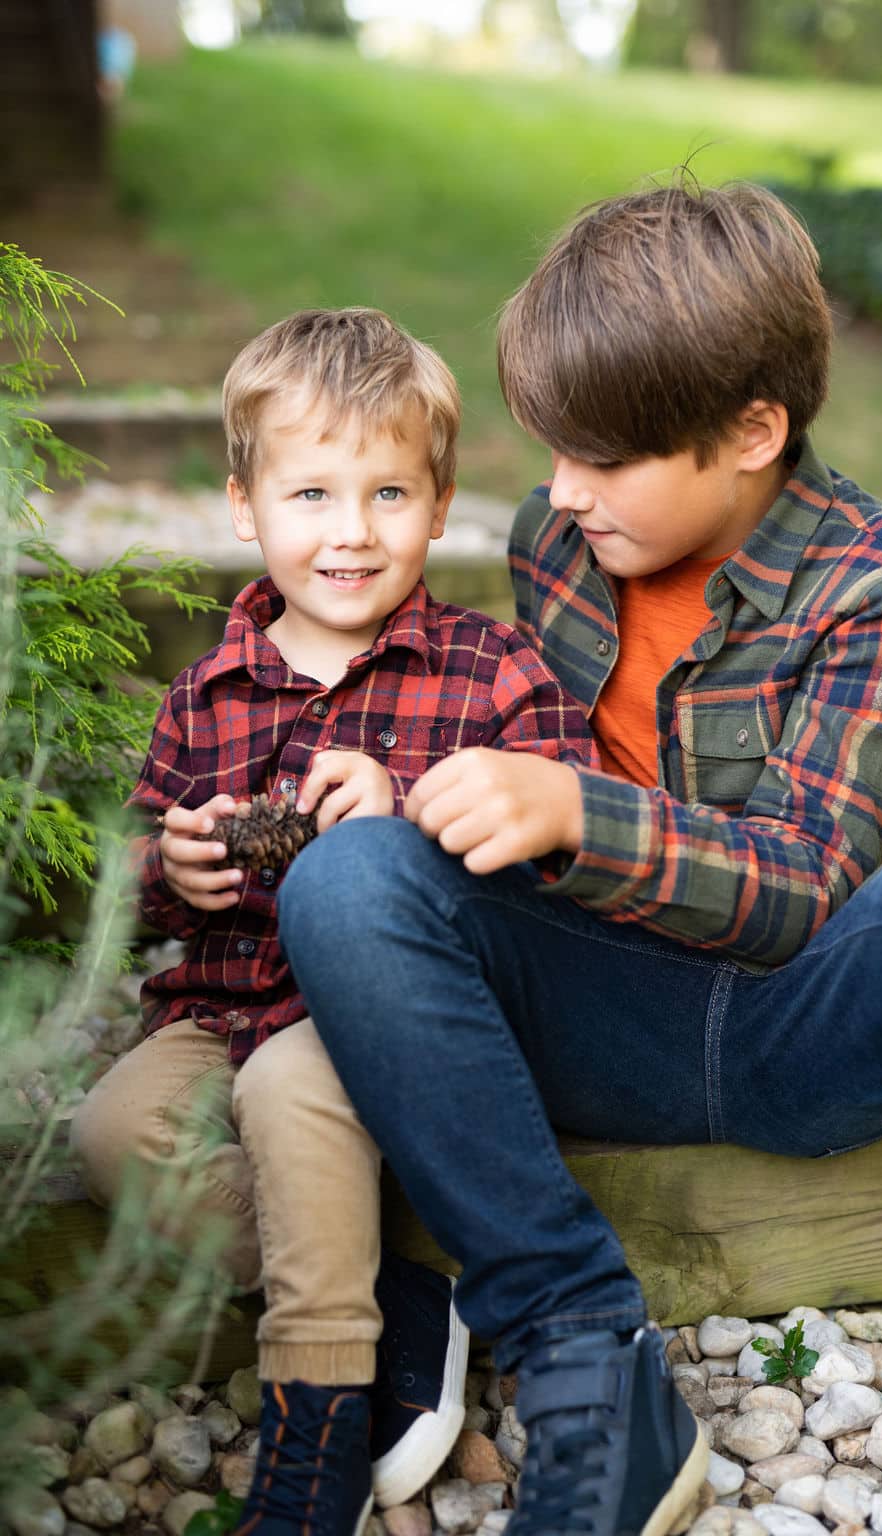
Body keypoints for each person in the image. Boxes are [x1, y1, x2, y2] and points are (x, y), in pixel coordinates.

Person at [274, 177, 882, 1536]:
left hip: (811, 1031)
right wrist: (403, 788)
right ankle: (587, 1362)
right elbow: (497, 734)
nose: (561, 491)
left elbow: (807, 888)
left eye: (605, 458)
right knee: (346, 880)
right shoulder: (559, 545)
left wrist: (573, 811)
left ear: (752, 431)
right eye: (554, 450)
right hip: (606, 1007)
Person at [70, 307, 598, 1534]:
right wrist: (175, 868)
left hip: (379, 1020)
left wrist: (406, 814)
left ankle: (313, 1429)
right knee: (114, 1131)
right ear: (247, 507)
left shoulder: (493, 670)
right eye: (311, 494)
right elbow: (137, 873)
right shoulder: (203, 694)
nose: (351, 532)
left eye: (388, 495)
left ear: (440, 501)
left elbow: (568, 846)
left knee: (287, 1094)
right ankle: (406, 1307)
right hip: (220, 1000)